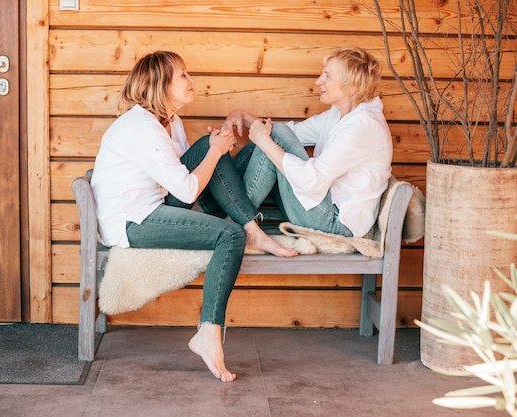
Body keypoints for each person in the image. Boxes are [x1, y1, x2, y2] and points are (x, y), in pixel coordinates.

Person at [90, 51, 296, 383]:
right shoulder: (142, 127)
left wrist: (216, 149)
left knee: (205, 148)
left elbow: (193, 178)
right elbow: (188, 191)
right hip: (132, 221)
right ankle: (208, 332)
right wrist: (216, 152)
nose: (191, 80)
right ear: (161, 85)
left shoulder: (170, 122)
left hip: (156, 204)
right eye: (183, 75)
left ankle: (249, 227)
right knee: (229, 236)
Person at [224, 46, 393, 238]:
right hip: (320, 207)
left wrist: (264, 140)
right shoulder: (340, 115)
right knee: (273, 136)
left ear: (351, 86)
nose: (318, 81)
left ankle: (233, 219)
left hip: (337, 224)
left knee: (272, 137)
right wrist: (241, 116)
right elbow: (292, 133)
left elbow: (312, 181)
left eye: (327, 76)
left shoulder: (363, 126)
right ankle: (224, 208)